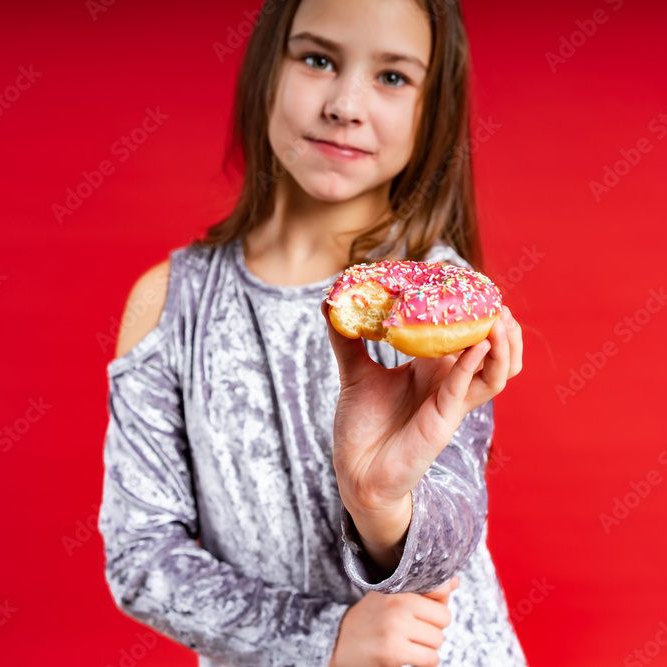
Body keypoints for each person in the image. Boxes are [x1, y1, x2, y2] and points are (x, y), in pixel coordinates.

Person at [97, 0, 527, 665]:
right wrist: (321, 639)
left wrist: (381, 503)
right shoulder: (168, 304)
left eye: (392, 77)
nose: (346, 104)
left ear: (430, 109)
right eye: (318, 59)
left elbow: (454, 523)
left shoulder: (432, 299)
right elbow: (140, 552)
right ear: (268, 68)